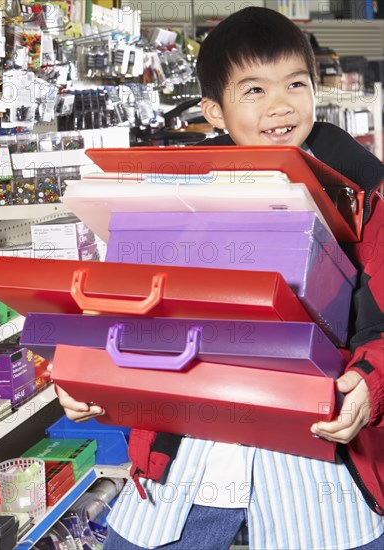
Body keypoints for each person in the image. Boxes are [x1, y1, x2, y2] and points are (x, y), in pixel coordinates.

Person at [55, 7, 384, 549]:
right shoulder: (175, 198)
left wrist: (369, 388)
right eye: (253, 91)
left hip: (319, 474)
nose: (280, 105)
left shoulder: (362, 198)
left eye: (295, 84)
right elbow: (131, 309)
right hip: (185, 466)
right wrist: (88, 376)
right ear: (213, 110)